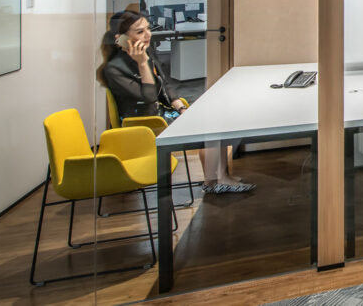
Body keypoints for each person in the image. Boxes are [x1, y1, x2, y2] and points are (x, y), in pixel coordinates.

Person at [100, 10, 254, 194]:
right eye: (140, 32)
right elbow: (148, 100)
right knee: (211, 125)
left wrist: (180, 107)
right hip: (144, 121)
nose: (148, 34)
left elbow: (165, 86)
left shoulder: (146, 55)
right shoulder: (114, 68)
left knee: (217, 117)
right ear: (121, 38)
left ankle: (217, 179)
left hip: (163, 113)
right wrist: (142, 65)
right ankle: (217, 180)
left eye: (148, 29)